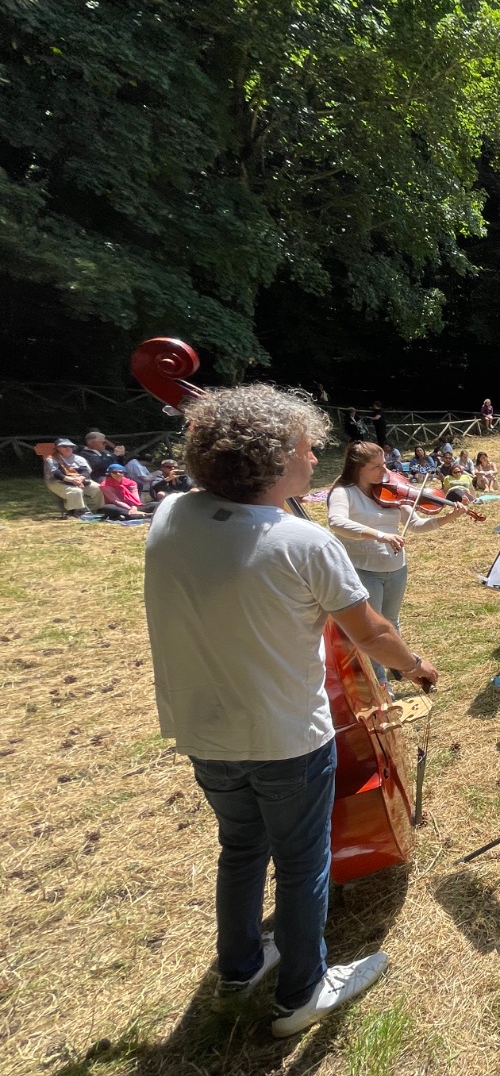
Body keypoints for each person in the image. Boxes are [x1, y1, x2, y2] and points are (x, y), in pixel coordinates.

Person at [145, 385, 430, 1038]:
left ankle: (242, 964)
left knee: (240, 845)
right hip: (284, 736)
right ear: (273, 460)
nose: (314, 456)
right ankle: (302, 991)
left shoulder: (170, 517)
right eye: (306, 448)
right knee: (304, 862)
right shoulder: (305, 543)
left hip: (201, 728)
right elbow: (373, 635)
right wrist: (415, 666)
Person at [327, 441, 467, 680]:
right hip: (364, 569)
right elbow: (336, 522)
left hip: (396, 568)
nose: (386, 471)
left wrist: (450, 517)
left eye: (384, 464)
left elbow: (417, 525)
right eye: (377, 467)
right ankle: (381, 684)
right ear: (358, 468)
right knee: (372, 630)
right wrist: (380, 535)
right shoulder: (344, 492)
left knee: (391, 622)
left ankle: (401, 669)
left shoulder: (391, 489)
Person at [42, 439, 106, 517]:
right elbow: (56, 474)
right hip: (57, 482)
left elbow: (85, 471)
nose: (68, 448)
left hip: (80, 480)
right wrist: (72, 480)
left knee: (98, 488)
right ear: (58, 448)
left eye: (71, 446)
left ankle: (95, 510)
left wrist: (80, 479)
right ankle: (76, 512)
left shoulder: (79, 459)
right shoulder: (51, 459)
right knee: (76, 491)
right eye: (64, 446)